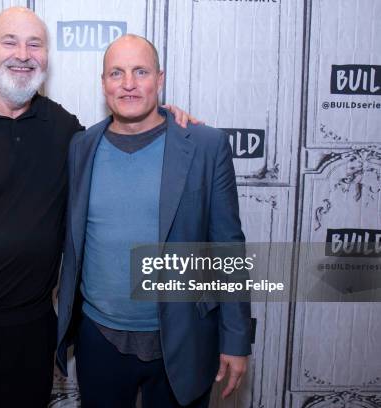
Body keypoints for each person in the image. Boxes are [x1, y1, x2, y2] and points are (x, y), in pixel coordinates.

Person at [0, 7, 196, 408]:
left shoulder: (66, 130)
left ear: (47, 57)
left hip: (30, 337)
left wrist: (169, 120)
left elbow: (126, 139)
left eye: (35, 44)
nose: (23, 54)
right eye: (10, 41)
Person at [56, 34, 251, 408]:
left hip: (183, 339)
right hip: (99, 339)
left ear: (159, 79)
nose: (128, 83)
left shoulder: (206, 146)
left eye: (140, 71)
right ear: (103, 83)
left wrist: (236, 340)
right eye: (117, 73)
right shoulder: (81, 147)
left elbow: (229, 248)